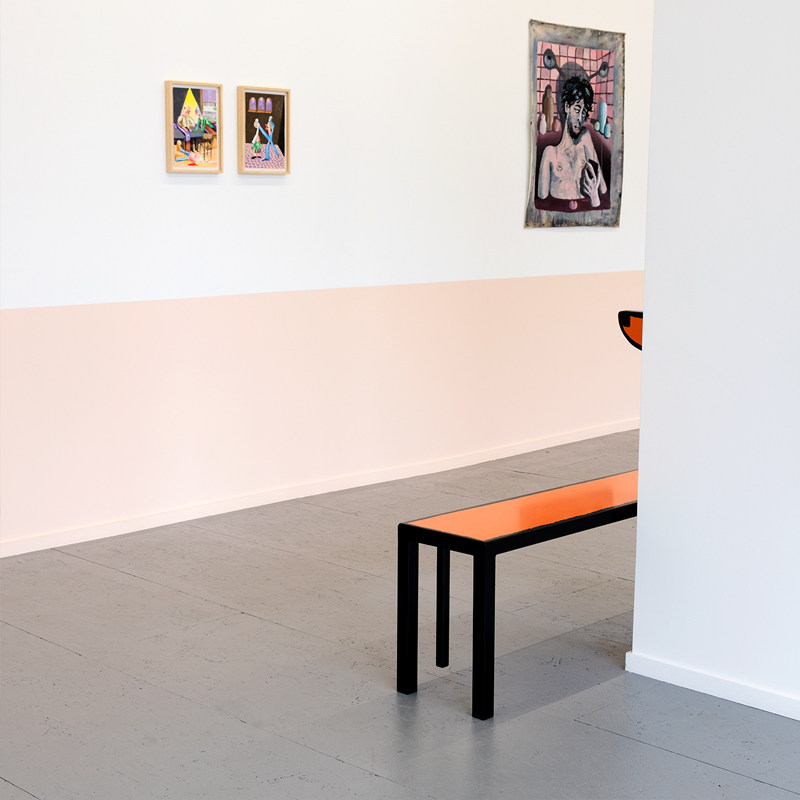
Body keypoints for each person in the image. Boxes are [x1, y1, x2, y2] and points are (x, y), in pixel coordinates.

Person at [537, 75, 607, 207]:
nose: (580, 118)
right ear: (567, 107)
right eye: (577, 109)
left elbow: (602, 188)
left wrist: (595, 199)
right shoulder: (551, 154)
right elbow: (542, 197)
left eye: (583, 112)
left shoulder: (585, 140)